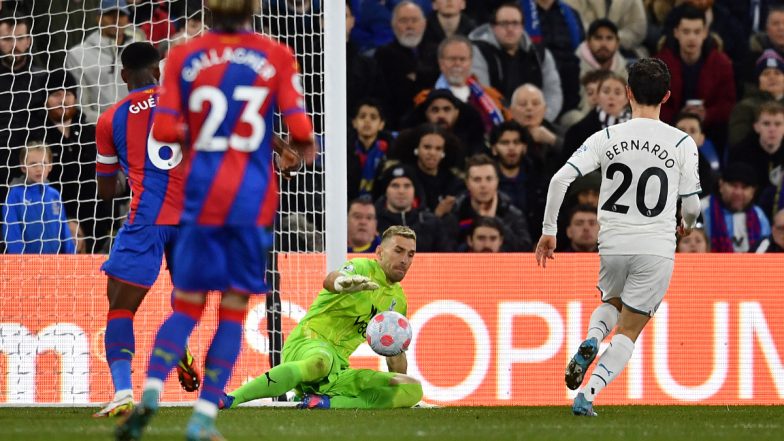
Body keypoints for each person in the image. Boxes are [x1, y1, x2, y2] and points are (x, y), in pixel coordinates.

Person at [115, 0, 315, 439]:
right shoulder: (276, 54)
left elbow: (166, 132)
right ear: (254, 9)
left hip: (200, 198)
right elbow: (300, 132)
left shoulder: (185, 57)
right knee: (231, 311)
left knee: (186, 305)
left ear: (208, 11)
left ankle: (149, 391)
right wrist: (293, 146)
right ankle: (203, 418)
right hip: (249, 201)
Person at [535, 58, 702, 416]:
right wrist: (686, 225)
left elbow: (558, 180)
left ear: (627, 93)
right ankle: (588, 396)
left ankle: (593, 339)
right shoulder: (682, 142)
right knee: (630, 328)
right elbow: (691, 206)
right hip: (656, 246)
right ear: (668, 96)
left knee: (611, 302)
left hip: (612, 243)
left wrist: (550, 232)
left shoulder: (606, 137)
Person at [91, 42, 200, 418]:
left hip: (147, 220)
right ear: (158, 71)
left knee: (120, 307)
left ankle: (123, 391)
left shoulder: (110, 118)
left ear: (123, 76)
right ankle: (178, 342)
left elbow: (106, 191)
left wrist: (133, 174)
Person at [220, 226, 423, 410]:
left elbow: (395, 354)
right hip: (307, 344)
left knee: (412, 389)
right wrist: (343, 283)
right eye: (398, 251)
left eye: (411, 254)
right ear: (379, 252)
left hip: (337, 369)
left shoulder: (398, 301)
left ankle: (324, 402)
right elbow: (330, 280)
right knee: (321, 361)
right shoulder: (361, 268)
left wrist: (400, 380)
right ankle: (231, 398)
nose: (405, 259)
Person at [469, 2, 563, 121]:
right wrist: (511, 123)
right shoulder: (478, 52)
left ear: (523, 26)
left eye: (515, 23)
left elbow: (553, 93)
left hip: (538, 121)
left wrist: (540, 119)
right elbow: (483, 96)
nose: (510, 29)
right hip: (497, 124)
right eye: (504, 24)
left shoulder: (540, 54)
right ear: (493, 27)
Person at [65, 0, 146, 124]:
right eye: (110, 14)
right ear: (99, 18)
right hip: (98, 129)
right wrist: (113, 122)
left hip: (138, 125)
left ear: (127, 19)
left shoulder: (141, 50)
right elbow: (81, 106)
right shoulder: (77, 55)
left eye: (121, 15)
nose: (116, 20)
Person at [2, 142, 75, 254]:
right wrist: (19, 261)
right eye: (33, 164)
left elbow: (64, 231)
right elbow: (12, 233)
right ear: (23, 167)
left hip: (55, 263)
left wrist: (71, 257)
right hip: (26, 265)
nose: (39, 168)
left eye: (43, 163)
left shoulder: (54, 195)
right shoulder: (15, 195)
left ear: (50, 166)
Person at [450, 153, 532, 251]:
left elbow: (525, 251)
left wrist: (495, 222)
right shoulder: (455, 214)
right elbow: (447, 252)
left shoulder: (513, 215)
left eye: (489, 179)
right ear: (467, 183)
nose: (483, 185)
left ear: (497, 181)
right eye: (477, 180)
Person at [700, 162, 772, 253]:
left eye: (744, 187)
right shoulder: (701, 209)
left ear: (753, 191)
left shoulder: (759, 215)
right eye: (733, 185)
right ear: (721, 185)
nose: (738, 193)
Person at [347, 98, 392, 201]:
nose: (367, 121)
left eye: (373, 117)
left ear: (381, 124)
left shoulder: (390, 152)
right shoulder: (344, 151)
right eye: (362, 116)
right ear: (354, 122)